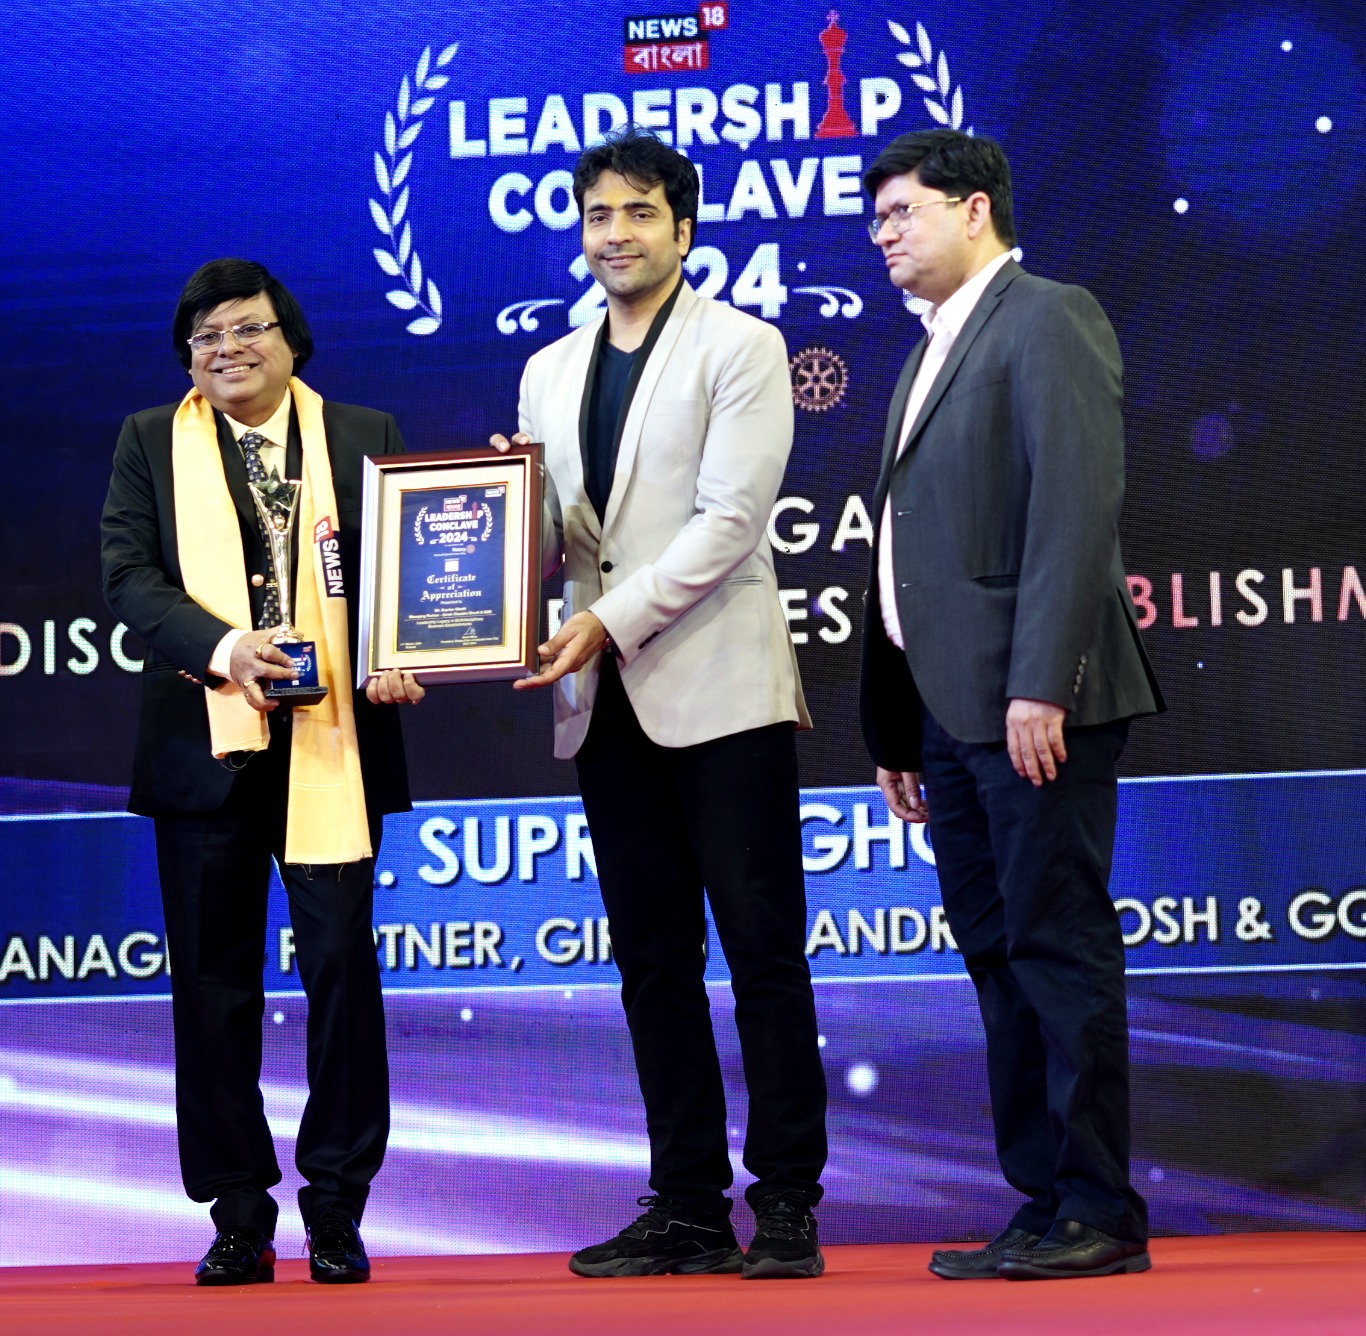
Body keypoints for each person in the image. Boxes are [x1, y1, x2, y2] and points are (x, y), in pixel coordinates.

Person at [492, 126, 827, 1279]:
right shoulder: (548, 368)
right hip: (604, 703)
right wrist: (501, 521)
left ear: (683, 229)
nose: (615, 234)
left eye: (639, 212)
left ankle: (786, 1200)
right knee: (651, 959)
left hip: (720, 687)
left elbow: (730, 520)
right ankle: (685, 1202)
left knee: (762, 953)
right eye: (598, 215)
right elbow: (556, 545)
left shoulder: (742, 345)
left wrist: (607, 619)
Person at [858, 130, 1164, 1281]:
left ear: (974, 207)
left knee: (1054, 942)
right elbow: (907, 556)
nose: (883, 234)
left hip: (1036, 703)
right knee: (995, 954)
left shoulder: (1046, 317)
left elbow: (1074, 510)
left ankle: (1098, 1206)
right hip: (947, 713)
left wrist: (1044, 679)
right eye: (877, 219)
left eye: (902, 211)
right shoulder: (926, 349)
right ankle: (1042, 1201)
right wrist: (897, 726)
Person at [101, 258, 424, 1285]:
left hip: (334, 742)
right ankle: (237, 1211)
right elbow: (128, 576)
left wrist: (399, 650)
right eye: (205, 337)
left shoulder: (361, 433)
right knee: (211, 984)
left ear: (292, 341)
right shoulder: (151, 439)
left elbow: (403, 580)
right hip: (206, 745)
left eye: (247, 329)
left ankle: (337, 1206)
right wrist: (224, 648)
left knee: (341, 971)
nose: (226, 349)